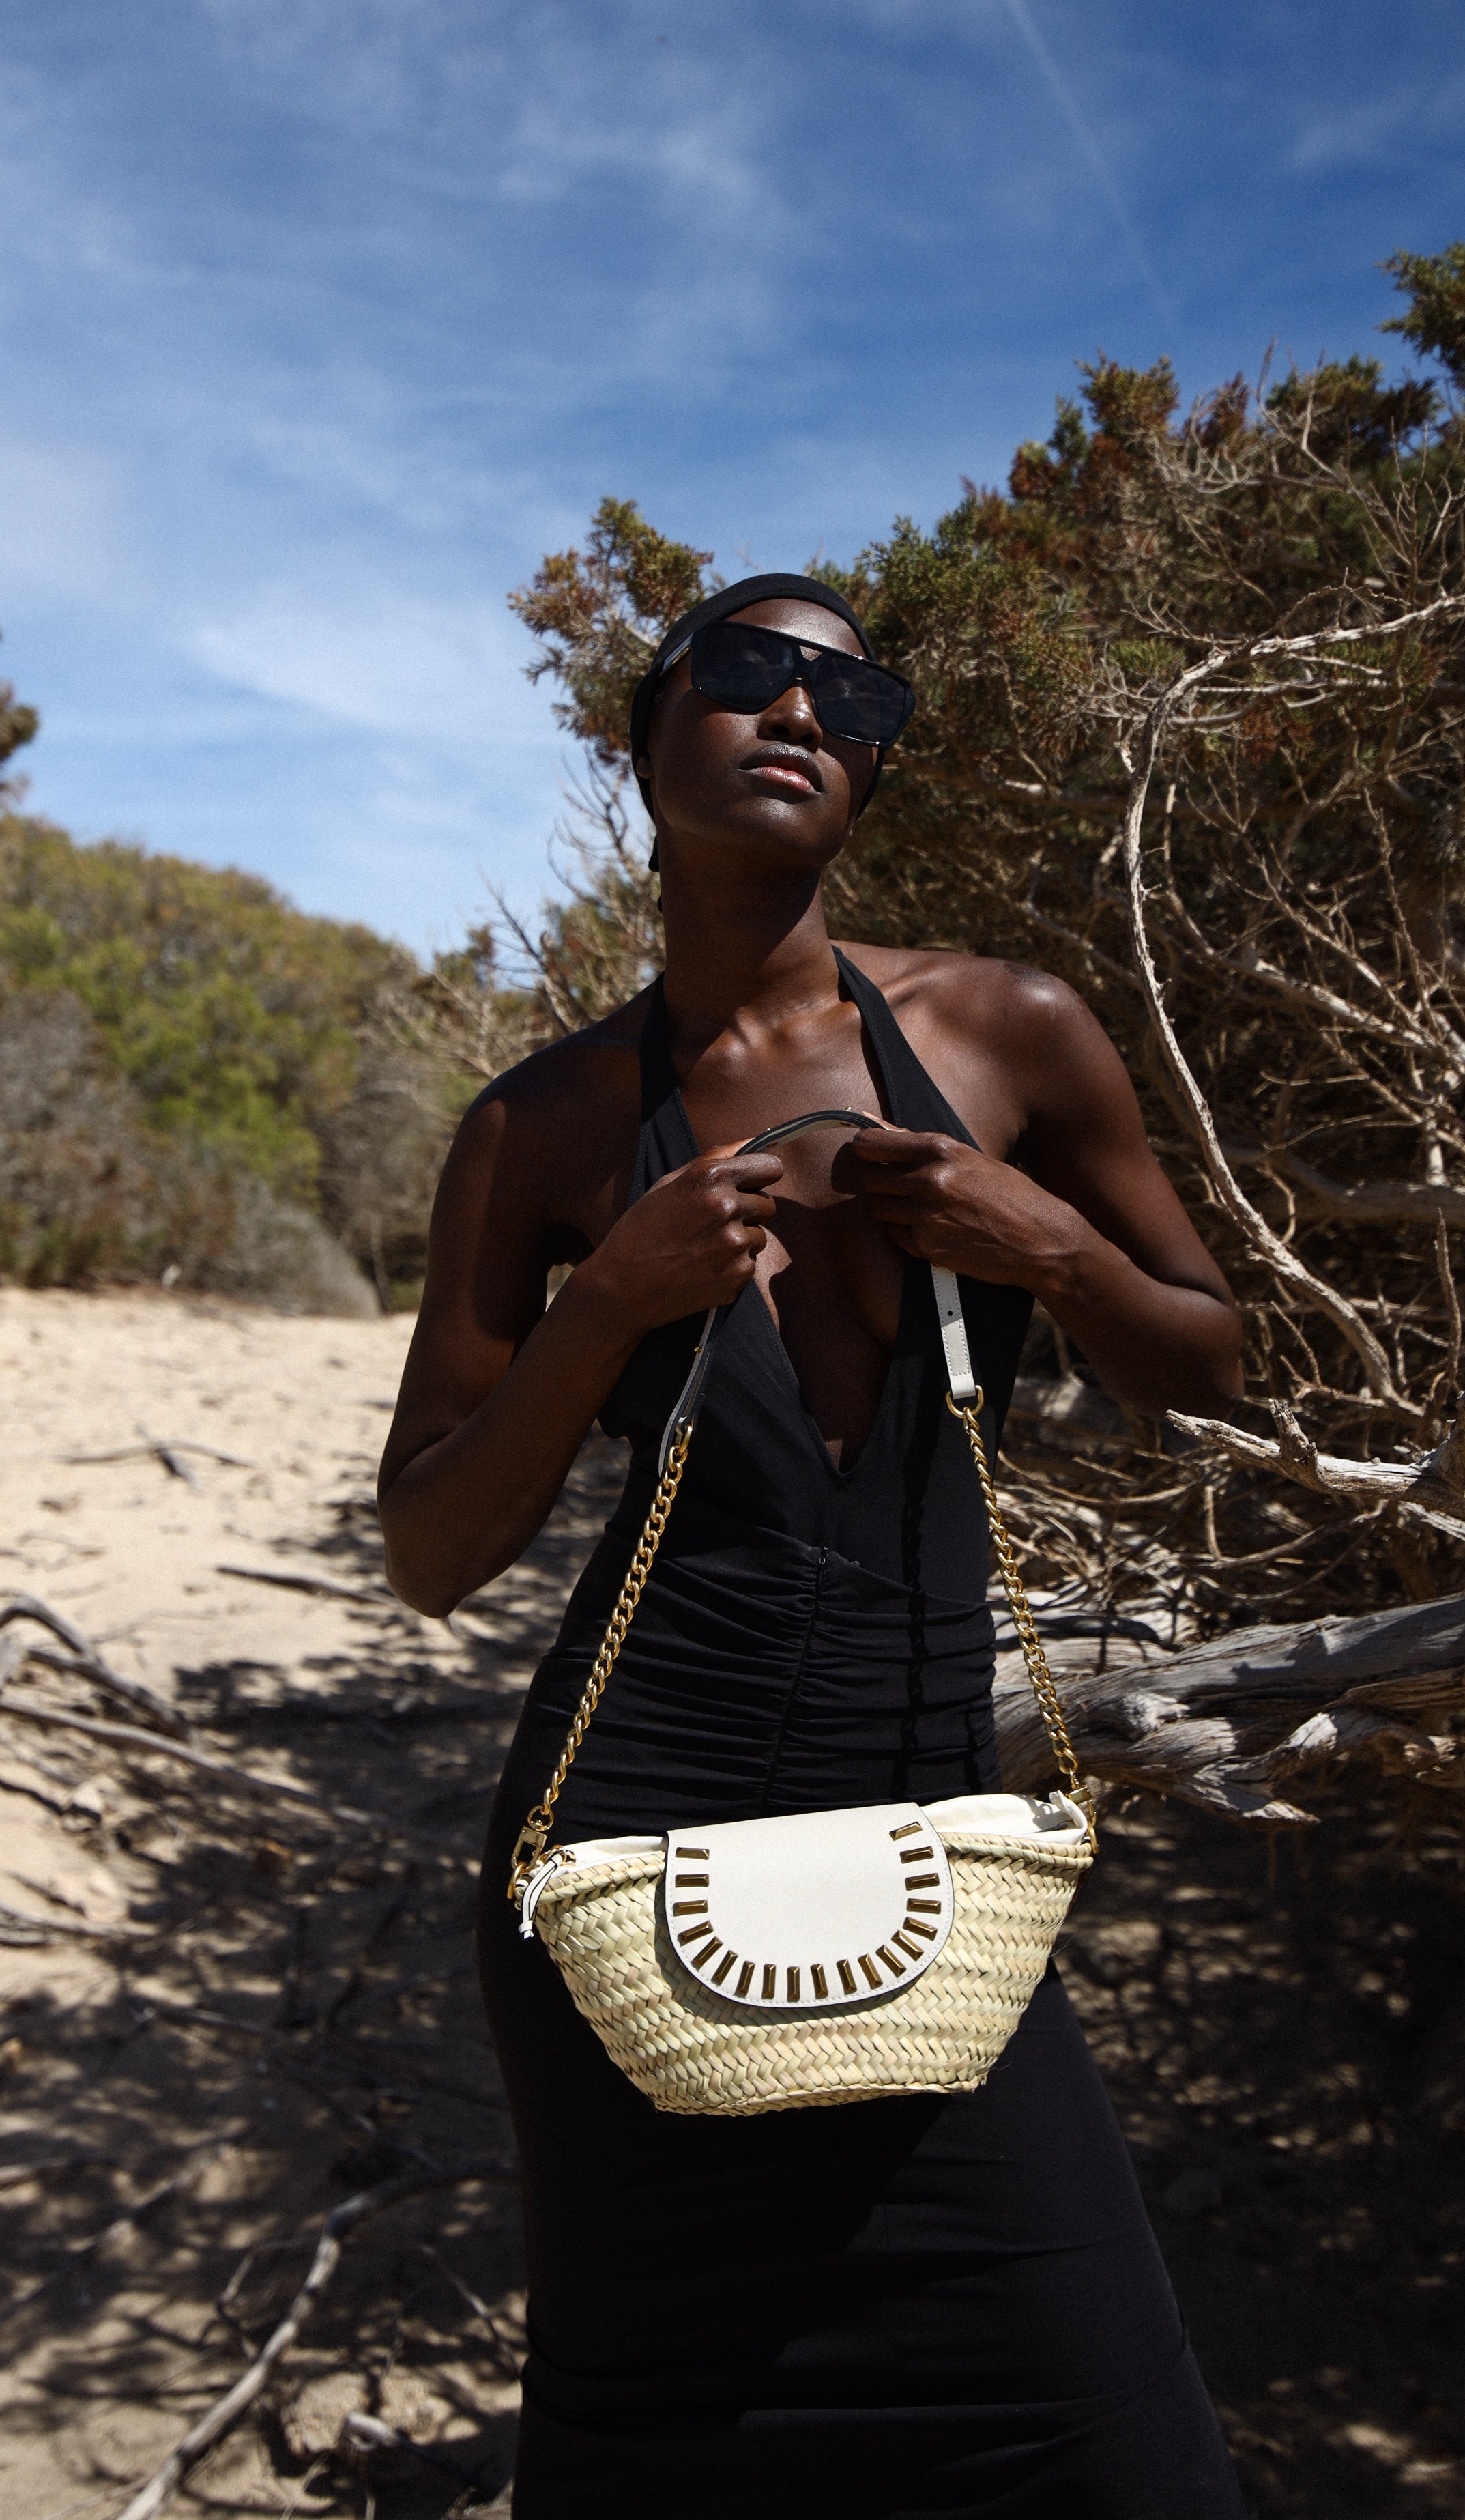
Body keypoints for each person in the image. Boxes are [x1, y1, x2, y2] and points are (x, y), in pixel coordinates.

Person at [379, 574, 1248, 2517]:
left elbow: (1202, 1363)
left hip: (928, 1831)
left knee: (1110, 2448)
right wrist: (605, 1302)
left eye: (855, 699)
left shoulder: (1005, 1033)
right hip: (624, 1839)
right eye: (752, 672)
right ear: (649, 727)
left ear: (871, 771)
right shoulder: (537, 1130)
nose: (801, 712)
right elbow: (429, 1550)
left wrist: (1052, 1252)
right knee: (657, 2452)